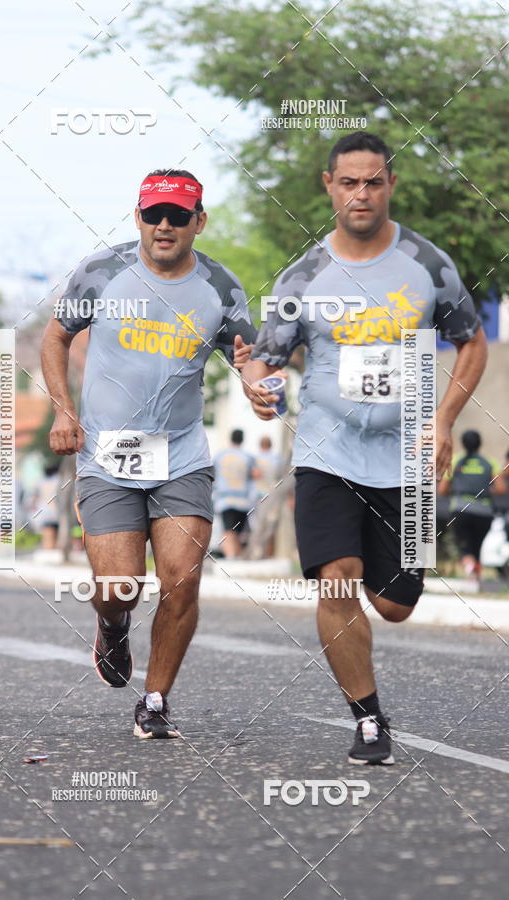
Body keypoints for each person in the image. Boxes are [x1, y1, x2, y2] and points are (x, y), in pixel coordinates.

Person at [242, 131, 487, 765]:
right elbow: (264, 360)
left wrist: (442, 418)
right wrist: (259, 388)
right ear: (329, 186)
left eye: (373, 181)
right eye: (348, 182)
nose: (361, 193)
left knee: (396, 606)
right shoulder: (303, 275)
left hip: (405, 457)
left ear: (390, 186)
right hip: (327, 452)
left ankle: (388, 614)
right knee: (337, 578)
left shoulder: (427, 265)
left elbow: (472, 343)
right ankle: (368, 717)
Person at [41, 169, 256, 739]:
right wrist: (65, 410)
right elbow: (56, 335)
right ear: (138, 217)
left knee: (182, 580)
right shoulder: (101, 272)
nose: (165, 225)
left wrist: (258, 382)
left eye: (179, 216)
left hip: (182, 456)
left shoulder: (221, 286)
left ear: (198, 222)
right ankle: (113, 627)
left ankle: (155, 701)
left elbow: (247, 354)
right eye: (154, 213)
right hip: (108, 457)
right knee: (120, 588)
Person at [438, 430, 505, 583]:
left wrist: (457, 490)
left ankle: (471, 570)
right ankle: (475, 577)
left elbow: (442, 490)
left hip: (461, 509)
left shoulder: (455, 461)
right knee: (477, 546)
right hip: (485, 511)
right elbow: (501, 489)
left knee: (463, 545)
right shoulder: (489, 462)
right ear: (480, 443)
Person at [213, 429, 257, 558]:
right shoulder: (248, 456)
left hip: (224, 499)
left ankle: (231, 557)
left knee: (228, 530)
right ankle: (234, 558)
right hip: (243, 500)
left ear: (231, 438)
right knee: (238, 532)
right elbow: (256, 474)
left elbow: (212, 474)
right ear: (242, 439)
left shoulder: (220, 455)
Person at [32, 463, 61, 550]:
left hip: (44, 511)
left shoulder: (40, 481)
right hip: (57, 511)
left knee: (47, 537)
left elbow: (35, 496)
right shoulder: (59, 480)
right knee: (58, 537)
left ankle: (48, 552)